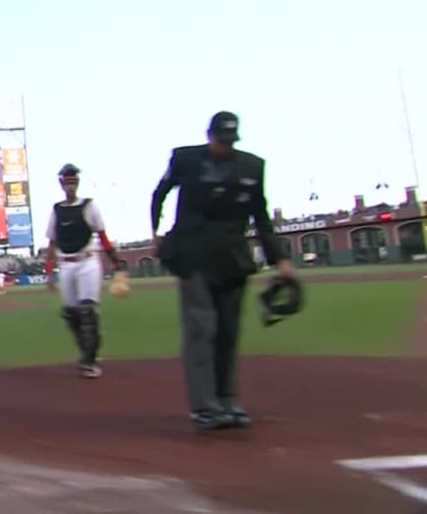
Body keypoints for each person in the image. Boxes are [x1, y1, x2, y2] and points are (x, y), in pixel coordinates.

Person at [150, 110, 295, 431]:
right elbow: (159, 194)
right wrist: (157, 231)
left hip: (232, 257)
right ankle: (204, 406)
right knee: (201, 328)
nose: (224, 147)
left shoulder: (252, 167)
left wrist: (279, 260)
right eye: (219, 140)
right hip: (192, 254)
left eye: (229, 141)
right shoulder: (185, 160)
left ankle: (228, 398)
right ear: (209, 135)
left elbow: (261, 215)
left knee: (228, 330)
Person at [44, 163, 127, 379]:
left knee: (87, 310)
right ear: (61, 184)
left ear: (77, 183)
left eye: (73, 181)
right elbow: (52, 242)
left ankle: (90, 359)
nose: (70, 185)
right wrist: (49, 271)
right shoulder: (57, 210)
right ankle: (85, 350)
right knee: (71, 313)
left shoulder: (89, 207)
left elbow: (102, 236)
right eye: (66, 181)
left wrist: (116, 263)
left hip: (87, 261)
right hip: (66, 263)